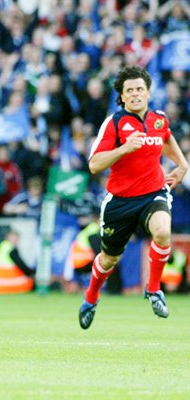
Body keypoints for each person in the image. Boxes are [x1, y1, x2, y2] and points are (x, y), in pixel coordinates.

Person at [78, 65, 188, 329]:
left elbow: (166, 139)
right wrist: (125, 148)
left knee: (162, 231)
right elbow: (94, 164)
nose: (136, 94)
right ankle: (90, 298)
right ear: (122, 97)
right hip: (120, 201)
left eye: (140, 89)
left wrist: (182, 165)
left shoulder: (158, 119)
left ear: (148, 93)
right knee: (109, 259)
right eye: (130, 91)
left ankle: (153, 289)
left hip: (153, 192)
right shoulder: (114, 123)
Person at [0, 230, 35, 294]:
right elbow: (21, 265)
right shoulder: (11, 249)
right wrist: (32, 273)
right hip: (10, 283)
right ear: (7, 238)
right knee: (30, 282)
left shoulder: (2, 247)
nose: (15, 240)